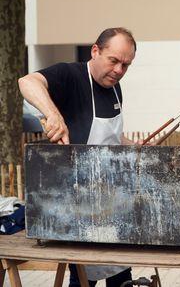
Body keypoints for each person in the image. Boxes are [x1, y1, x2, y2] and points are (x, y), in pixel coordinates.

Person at [18, 27, 137, 286]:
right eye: (113, 60)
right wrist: (53, 114)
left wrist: (137, 147)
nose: (119, 70)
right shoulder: (70, 75)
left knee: (122, 274)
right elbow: (27, 82)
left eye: (126, 65)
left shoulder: (116, 88)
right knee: (83, 277)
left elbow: (111, 138)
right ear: (95, 51)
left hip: (113, 202)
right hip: (79, 205)